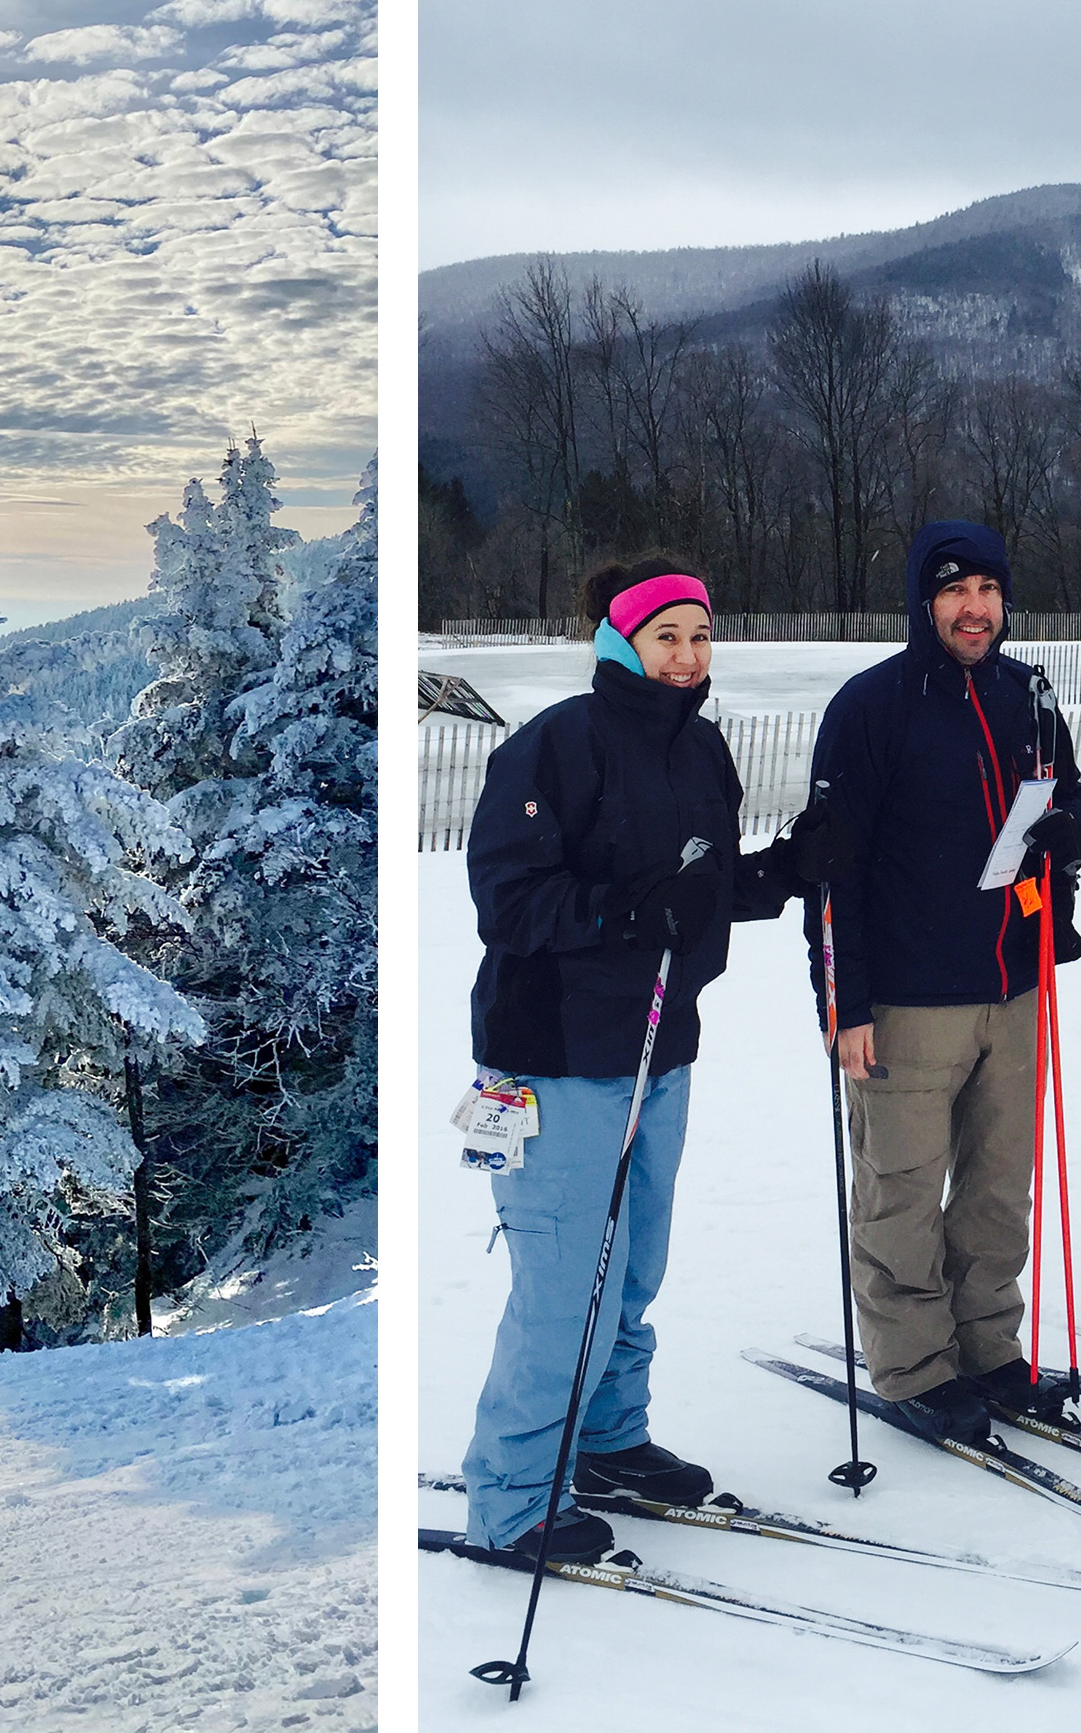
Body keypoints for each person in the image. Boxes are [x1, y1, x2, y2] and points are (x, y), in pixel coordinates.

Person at [459, 556, 848, 1560]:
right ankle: (510, 1502)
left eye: (701, 636)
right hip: (556, 1058)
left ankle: (610, 1440)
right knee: (566, 1286)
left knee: (631, 1267)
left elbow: (698, 899)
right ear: (618, 643)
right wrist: (624, 910)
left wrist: (783, 872)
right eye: (666, 636)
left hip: (659, 1045)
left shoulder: (702, 752)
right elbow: (508, 902)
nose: (686, 655)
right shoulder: (554, 748)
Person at [811, 521, 1081, 1446]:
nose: (975, 609)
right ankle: (915, 1367)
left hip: (1014, 989)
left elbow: (1065, 808)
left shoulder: (1027, 695)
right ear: (922, 602)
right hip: (907, 999)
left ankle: (989, 1351)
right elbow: (832, 869)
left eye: (989, 592)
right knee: (901, 1186)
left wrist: (1065, 848)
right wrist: (842, 1002)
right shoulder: (871, 706)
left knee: (998, 1188)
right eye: (954, 591)